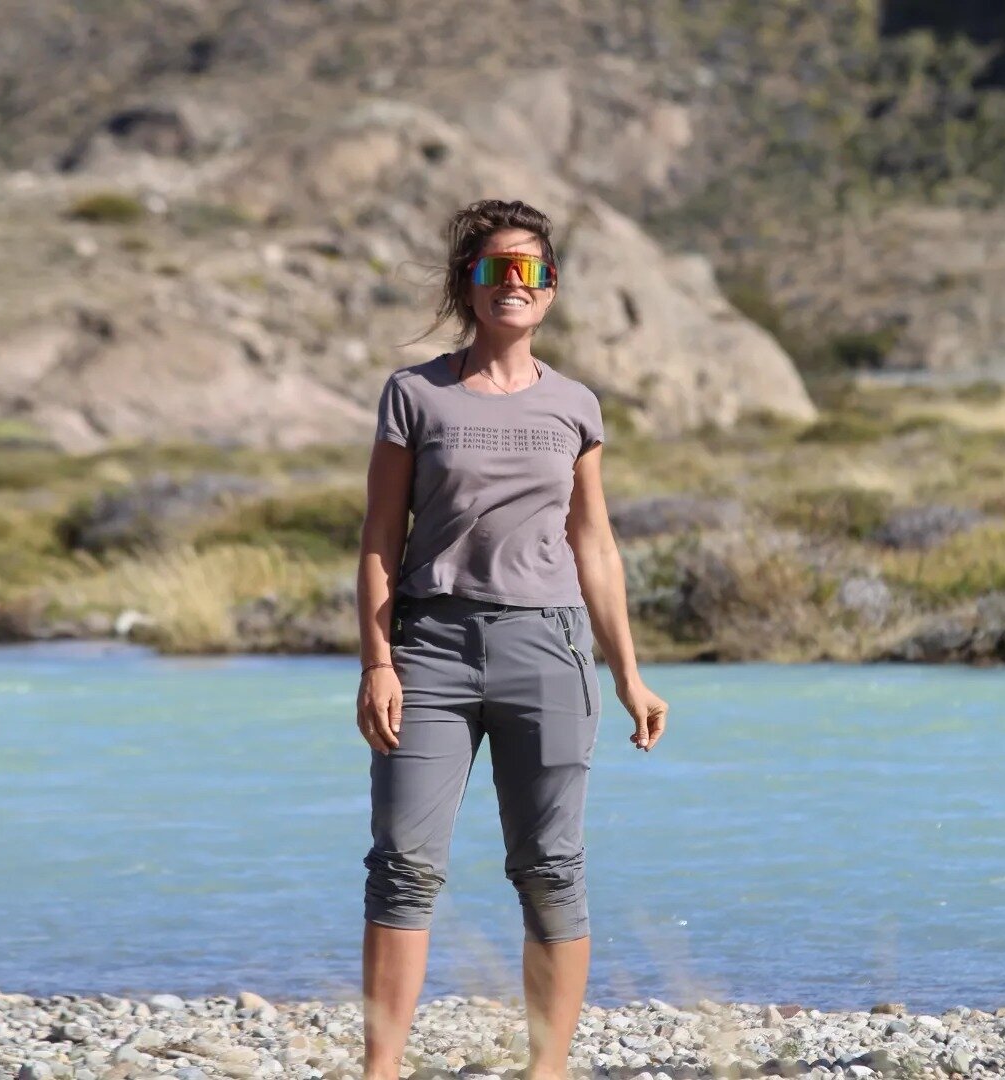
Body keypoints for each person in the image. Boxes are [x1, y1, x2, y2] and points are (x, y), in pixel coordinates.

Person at [356, 198, 668, 1080]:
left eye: (530, 269)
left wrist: (630, 676)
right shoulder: (414, 394)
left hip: (551, 650)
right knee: (404, 866)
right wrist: (379, 660)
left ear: (553, 288)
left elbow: (595, 546)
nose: (514, 284)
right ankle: (382, 1070)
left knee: (550, 867)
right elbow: (380, 537)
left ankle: (547, 1070)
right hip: (431, 650)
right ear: (470, 284)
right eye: (496, 268)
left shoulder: (575, 405)